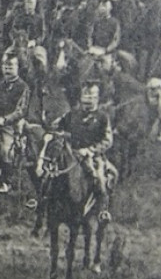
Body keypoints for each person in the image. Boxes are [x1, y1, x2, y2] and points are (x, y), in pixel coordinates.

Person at [46, 80, 116, 222]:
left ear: (97, 98)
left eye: (92, 97)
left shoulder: (102, 117)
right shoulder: (73, 114)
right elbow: (57, 126)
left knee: (100, 179)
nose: (88, 100)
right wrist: (55, 128)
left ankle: (102, 210)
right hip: (70, 152)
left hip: (92, 156)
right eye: (85, 96)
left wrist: (91, 150)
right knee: (50, 174)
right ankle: (45, 205)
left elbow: (108, 140)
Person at [0, 52, 33, 197]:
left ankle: (7, 181)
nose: (7, 69)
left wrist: (3, 120)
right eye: (5, 65)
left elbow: (20, 110)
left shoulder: (23, 87)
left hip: (11, 124)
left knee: (6, 148)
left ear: (18, 68)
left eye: (11, 66)